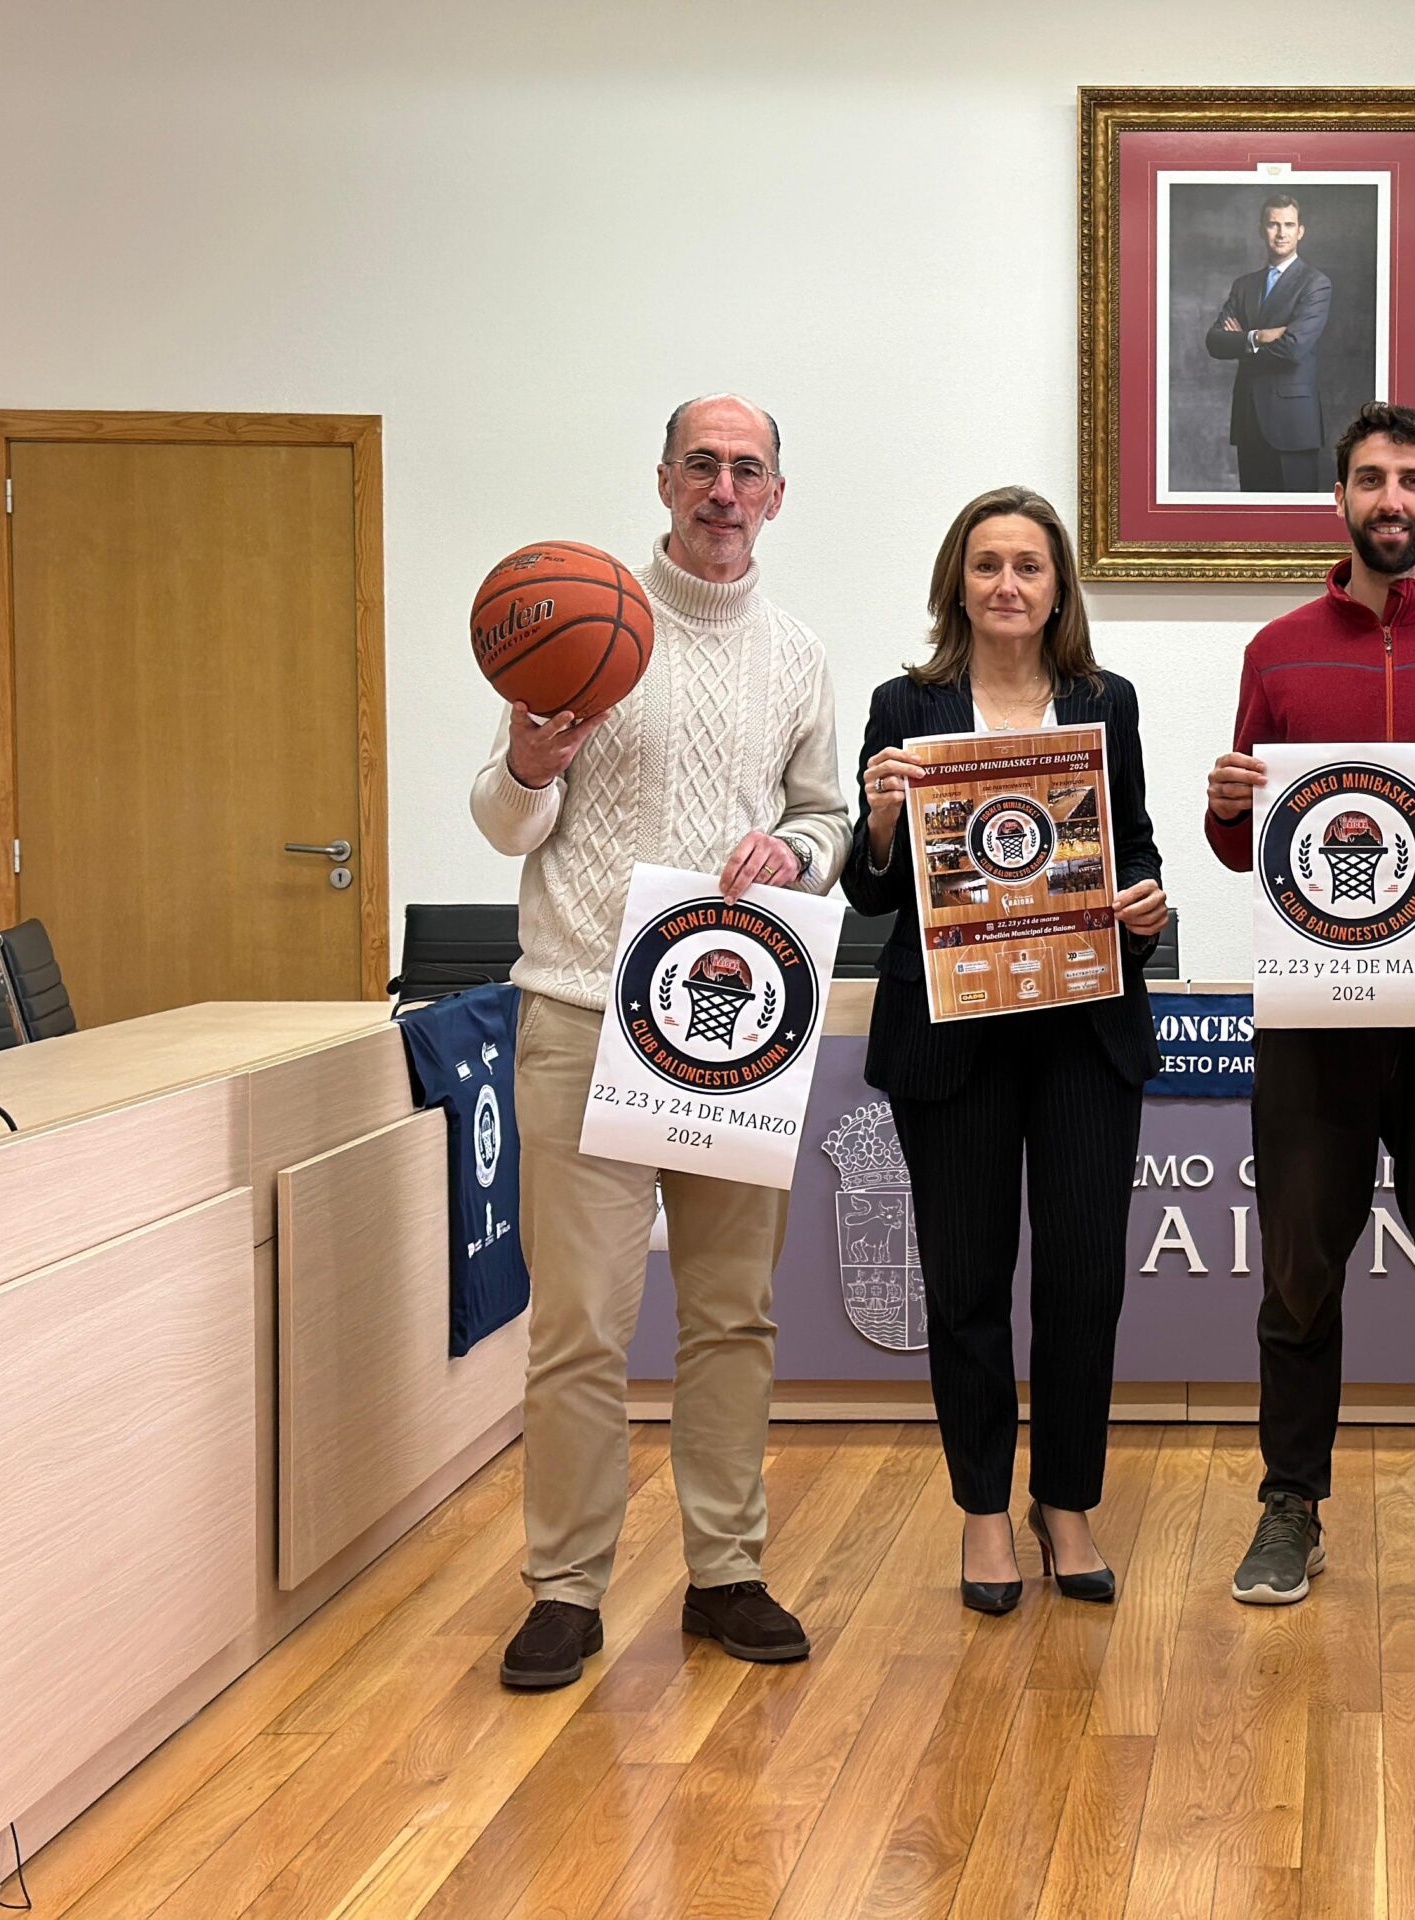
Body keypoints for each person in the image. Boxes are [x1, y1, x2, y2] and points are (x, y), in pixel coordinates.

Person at [470, 393, 850, 1692]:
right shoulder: (583, 622)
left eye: (750, 470)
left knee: (733, 1316)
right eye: (705, 465)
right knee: (578, 1324)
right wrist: (526, 763)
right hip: (580, 1007)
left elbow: (829, 816)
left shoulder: (797, 653)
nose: (726, 489)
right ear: (665, 480)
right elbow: (502, 824)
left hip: (733, 1016)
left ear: (778, 495)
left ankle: (726, 1571)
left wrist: (795, 850)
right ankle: (565, 1589)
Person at [1205, 401, 1415, 1610]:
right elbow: (1240, 846)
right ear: (1339, 499)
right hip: (1311, 1020)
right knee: (1298, 1279)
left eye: (1412, 480)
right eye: (1369, 479)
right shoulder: (1277, 650)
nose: (1390, 499)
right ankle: (1289, 1506)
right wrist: (1230, 795)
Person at [844, 486, 1169, 1615]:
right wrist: (882, 817)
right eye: (987, 565)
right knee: (969, 1282)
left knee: (1082, 1282)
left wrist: (1146, 902)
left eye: (1028, 566)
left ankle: (1064, 1501)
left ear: (1057, 586)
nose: (1008, 585)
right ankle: (985, 1511)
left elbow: (1135, 848)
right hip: (952, 1039)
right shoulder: (907, 703)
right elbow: (873, 888)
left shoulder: (1103, 701)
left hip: (1083, 1030)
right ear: (958, 583)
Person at [1202, 192, 1333, 492]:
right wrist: (1258, 336)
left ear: (1300, 231)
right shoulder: (1244, 285)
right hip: (1249, 422)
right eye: (1273, 224)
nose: (1281, 232)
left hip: (1294, 425)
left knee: (1296, 529)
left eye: (1289, 225)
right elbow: (1214, 341)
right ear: (1262, 229)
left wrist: (1242, 343)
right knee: (1251, 527)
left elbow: (1294, 347)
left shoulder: (1315, 283)